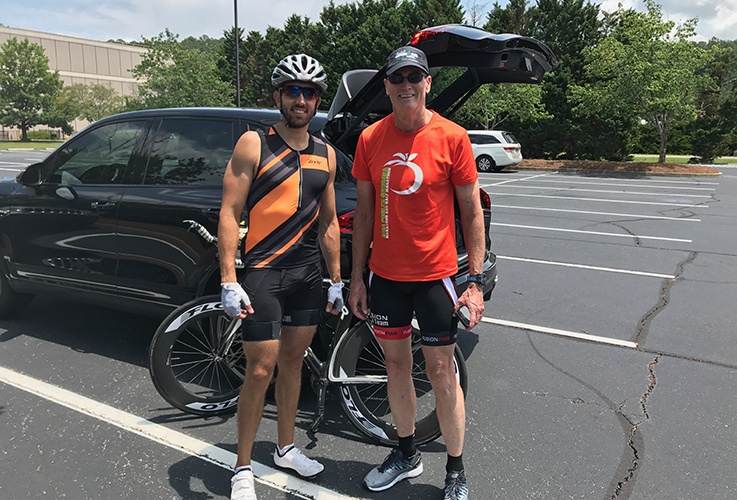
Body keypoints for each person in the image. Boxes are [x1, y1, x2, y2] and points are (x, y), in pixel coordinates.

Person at [348, 45, 486, 500]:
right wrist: (357, 278)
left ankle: (456, 470)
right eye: (398, 78)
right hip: (385, 279)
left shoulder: (453, 137)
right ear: (386, 85)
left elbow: (471, 213)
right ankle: (406, 454)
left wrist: (476, 281)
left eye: (415, 77)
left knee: (441, 371)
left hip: (437, 279)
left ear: (428, 83)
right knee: (396, 366)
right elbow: (364, 214)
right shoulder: (370, 139)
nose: (406, 85)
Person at [219, 54, 343, 500]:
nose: (301, 99)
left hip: (308, 275)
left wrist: (336, 279)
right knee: (260, 369)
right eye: (293, 90)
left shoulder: (326, 154)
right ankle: (242, 466)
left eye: (309, 93)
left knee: (293, 365)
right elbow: (230, 214)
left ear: (317, 102)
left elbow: (329, 223)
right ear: (278, 96)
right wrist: (229, 278)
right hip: (264, 273)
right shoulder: (254, 143)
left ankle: (286, 448)